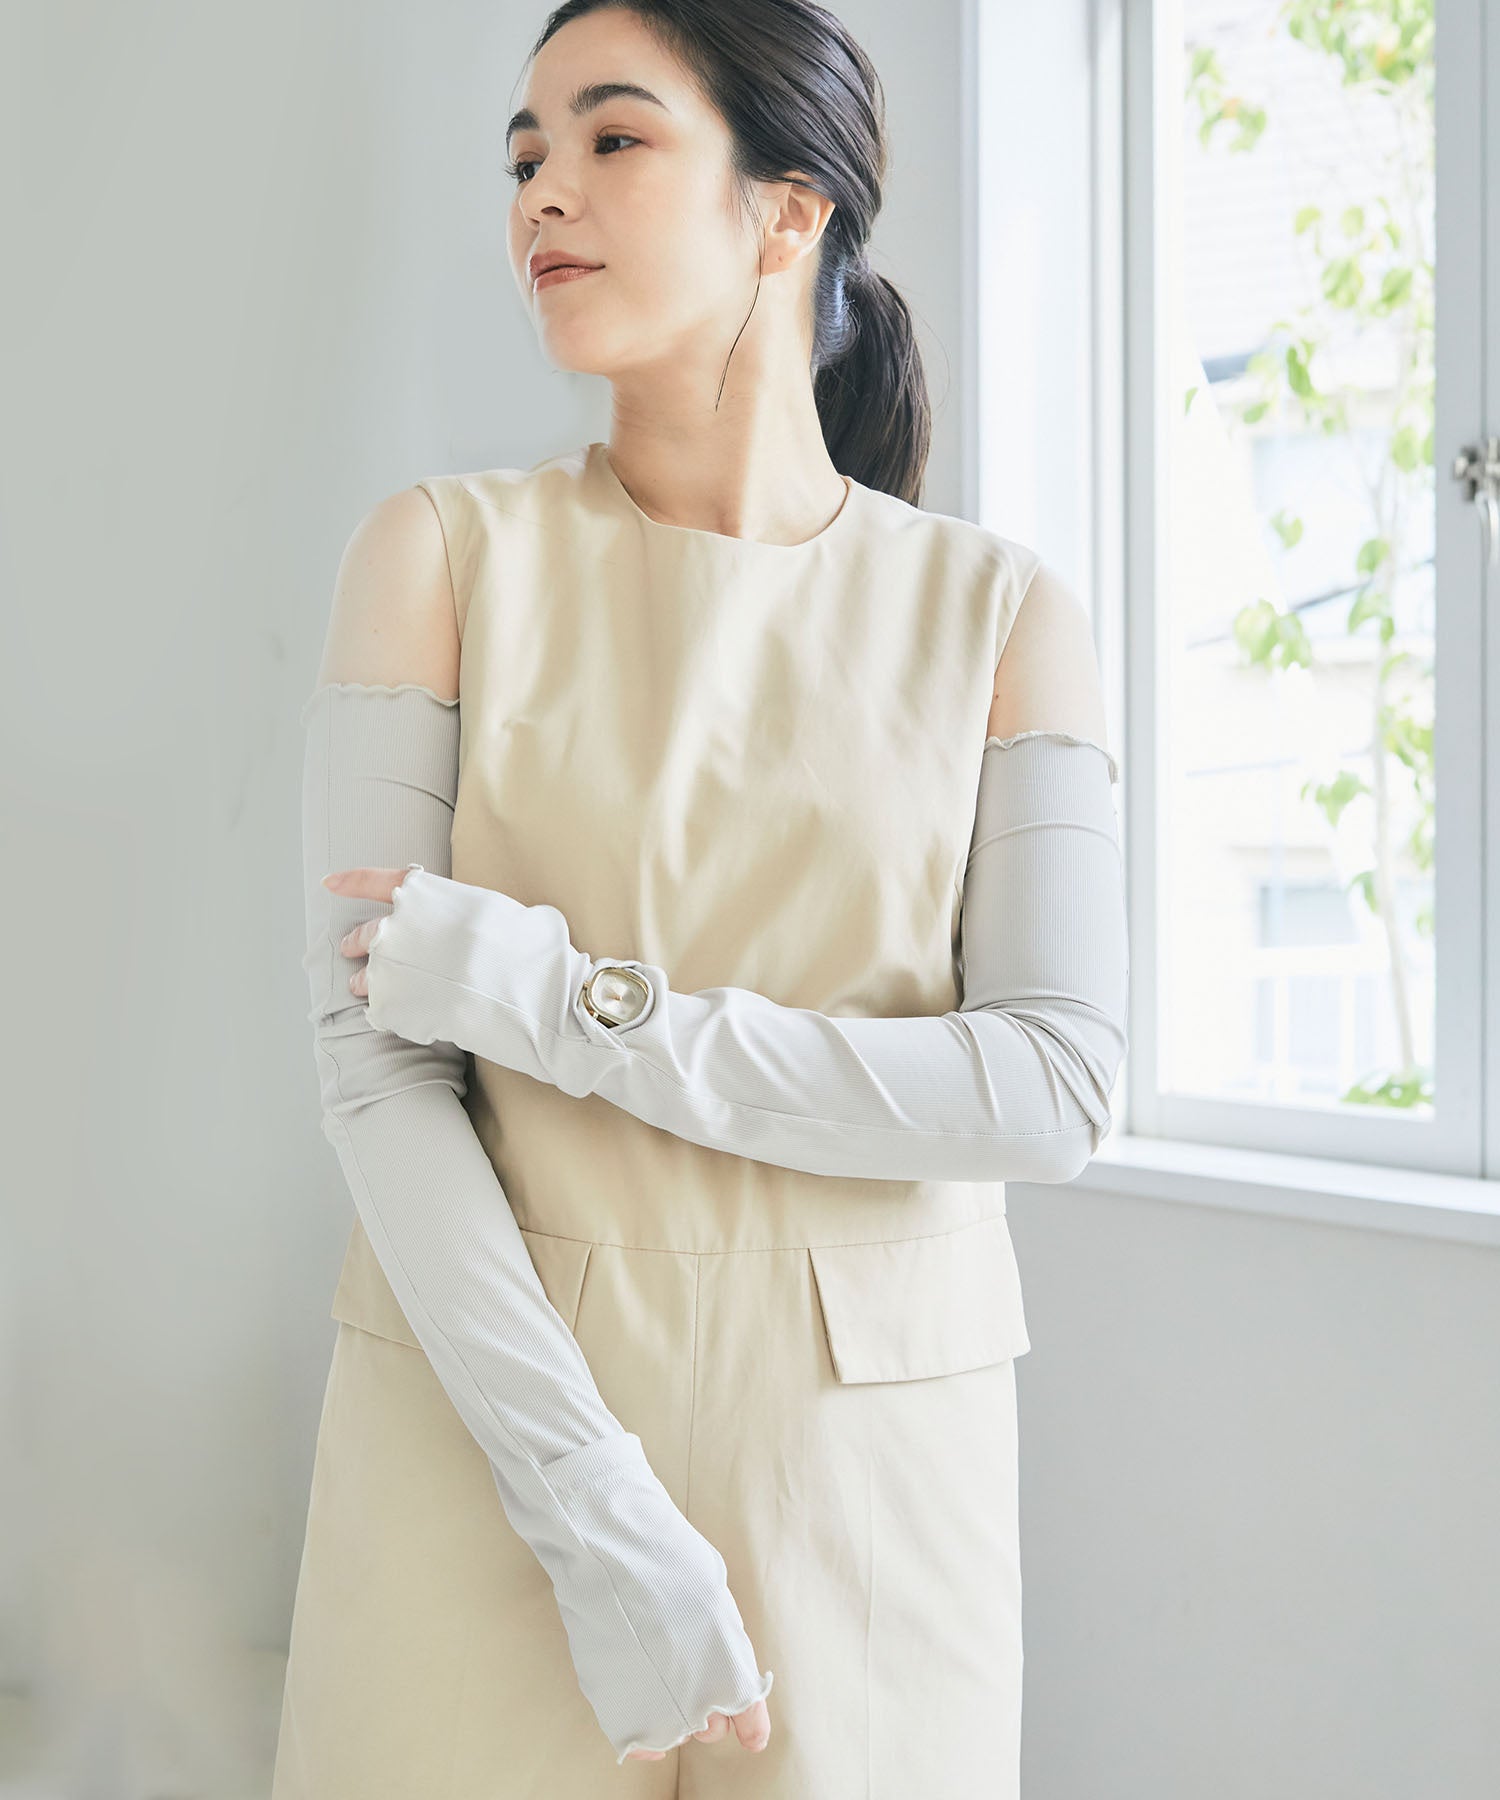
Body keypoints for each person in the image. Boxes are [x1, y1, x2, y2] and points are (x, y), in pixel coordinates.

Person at [275, 1, 1128, 1795]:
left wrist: (566, 1004)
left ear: (790, 207)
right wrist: (598, 1516)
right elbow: (377, 1076)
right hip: (492, 1442)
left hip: (869, 1482)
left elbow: (1052, 1084)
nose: (542, 194)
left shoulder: (1005, 617)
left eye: (612, 138)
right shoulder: (435, 556)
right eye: (524, 154)